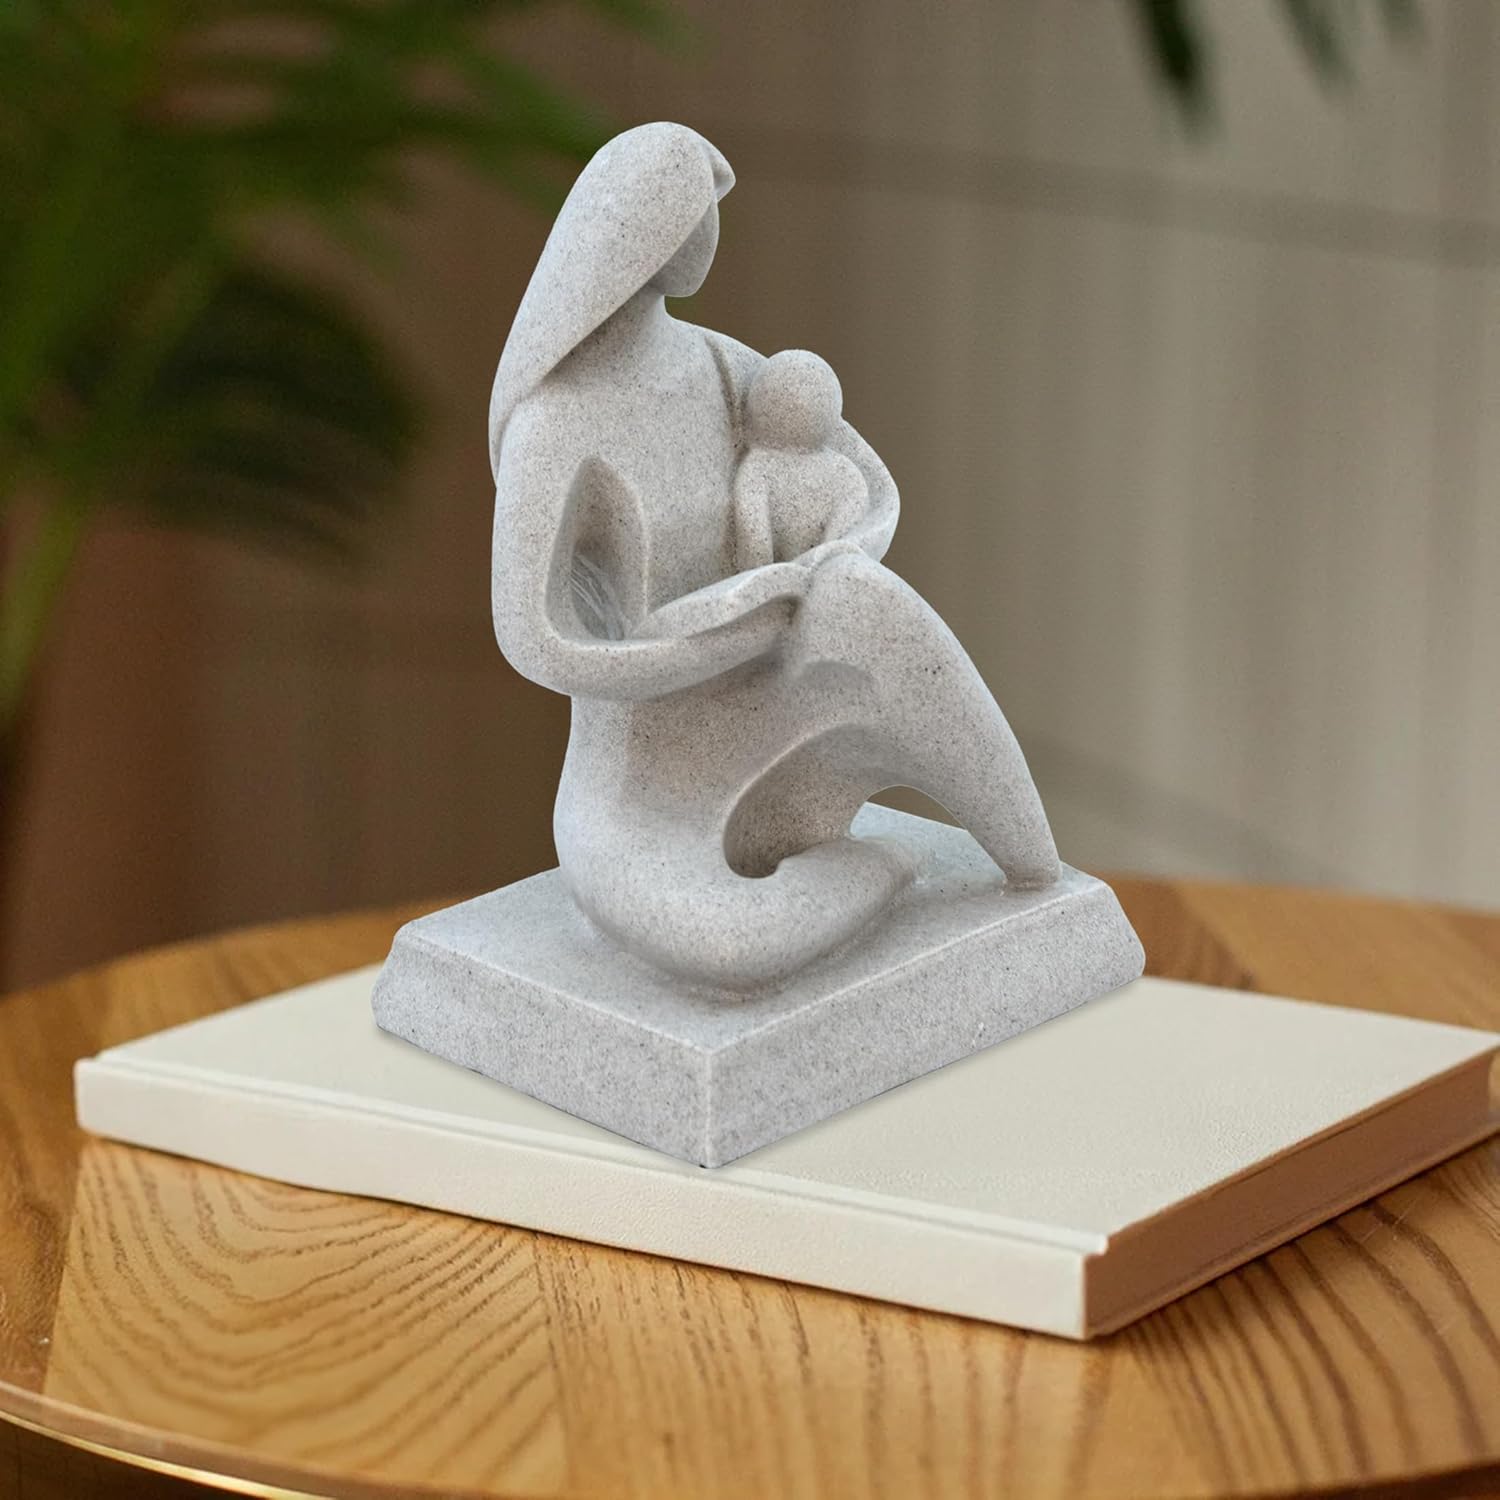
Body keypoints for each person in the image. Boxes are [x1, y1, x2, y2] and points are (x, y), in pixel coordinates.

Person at [488, 122, 1057, 989]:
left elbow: (872, 487)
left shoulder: (723, 366)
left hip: (775, 678)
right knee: (723, 945)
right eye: (697, 215)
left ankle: (1028, 860)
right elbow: (534, 639)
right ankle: (869, 870)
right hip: (641, 767)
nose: (711, 235)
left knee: (864, 599)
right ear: (648, 237)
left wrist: (806, 577)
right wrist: (699, 648)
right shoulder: (555, 425)